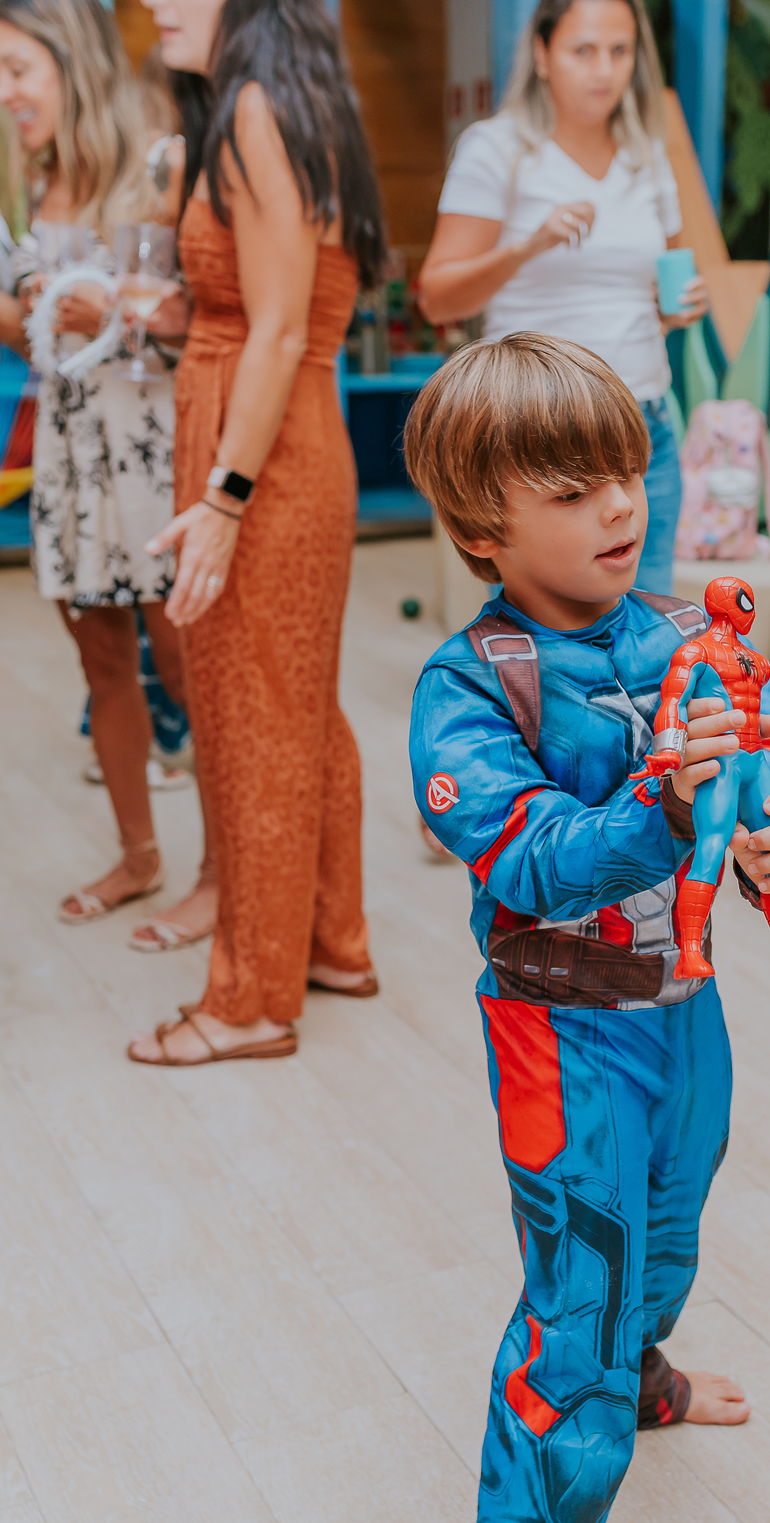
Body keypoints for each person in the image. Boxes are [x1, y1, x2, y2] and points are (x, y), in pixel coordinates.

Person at [406, 333, 770, 1523]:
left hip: (684, 1016)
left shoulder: (677, 633)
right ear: (481, 528)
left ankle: (641, 1370)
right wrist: (664, 807)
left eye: (628, 473)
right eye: (571, 487)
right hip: (562, 1030)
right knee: (572, 1315)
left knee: (670, 1229)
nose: (618, 506)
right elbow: (528, 858)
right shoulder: (470, 688)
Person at [128, 0, 383, 1067]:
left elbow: (278, 331)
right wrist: (188, 316)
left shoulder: (254, 110)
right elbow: (286, 306)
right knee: (297, 706)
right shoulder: (294, 102)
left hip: (264, 459)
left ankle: (250, 1001)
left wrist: (226, 501)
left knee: (252, 718)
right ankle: (330, 942)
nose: (155, 3)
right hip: (286, 437)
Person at [0, 0, 213, 939]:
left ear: (71, 61)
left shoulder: (163, 168)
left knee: (187, 669)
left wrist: (116, 315)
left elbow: (212, 325)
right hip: (69, 457)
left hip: (152, 458)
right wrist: (34, 311)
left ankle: (224, 872)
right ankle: (138, 856)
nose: (4, 93)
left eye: (17, 70)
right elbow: (29, 338)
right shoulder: (30, 182)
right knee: (102, 663)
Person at [419, 0, 706, 597]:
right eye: (583, 51)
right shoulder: (496, 149)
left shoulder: (647, 154)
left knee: (649, 626)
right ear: (542, 55)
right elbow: (438, 298)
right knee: (543, 631)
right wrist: (527, 247)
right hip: (537, 434)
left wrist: (676, 308)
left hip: (642, 427)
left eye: (620, 51)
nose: (604, 70)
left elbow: (660, 289)